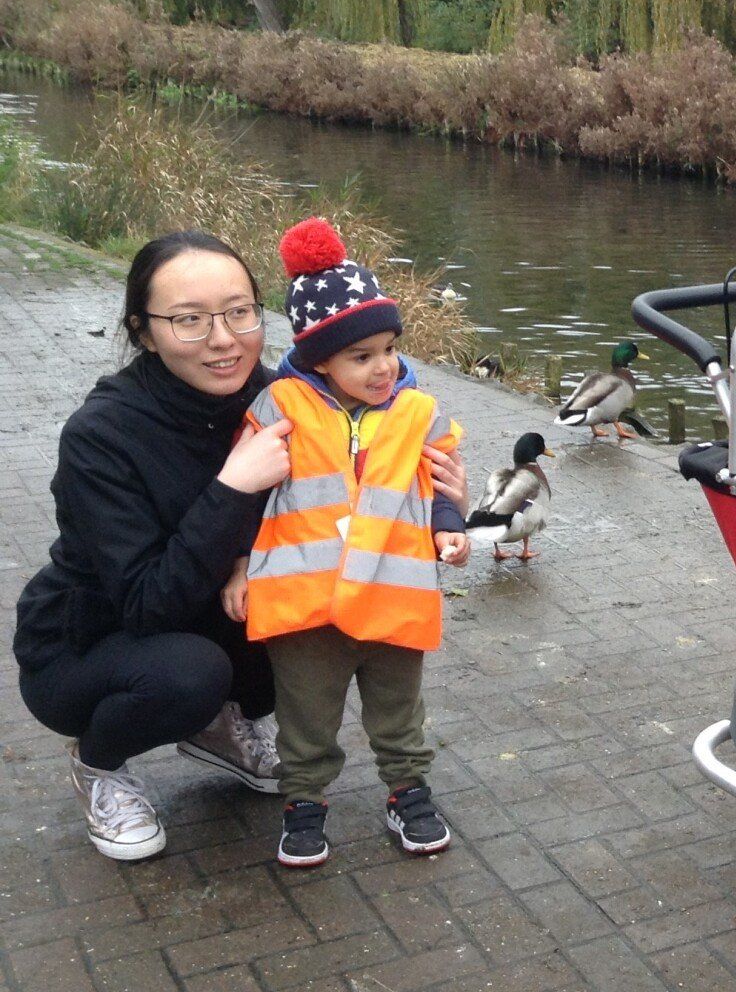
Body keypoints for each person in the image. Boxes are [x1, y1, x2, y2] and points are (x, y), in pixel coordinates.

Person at [13, 230, 465, 861]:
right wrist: (232, 485)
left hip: (217, 607)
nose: (223, 339)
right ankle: (99, 764)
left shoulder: (284, 398)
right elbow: (147, 605)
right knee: (191, 675)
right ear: (143, 331)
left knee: (311, 645)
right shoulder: (103, 434)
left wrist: (435, 495)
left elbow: (373, 436)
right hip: (97, 640)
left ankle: (220, 726)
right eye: (188, 321)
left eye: (239, 312)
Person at [223, 219, 467, 868]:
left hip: (393, 596)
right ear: (318, 359)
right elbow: (247, 491)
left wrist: (450, 527)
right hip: (306, 607)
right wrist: (240, 565)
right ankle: (305, 801)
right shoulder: (280, 406)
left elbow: (442, 478)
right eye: (362, 357)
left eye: (389, 348)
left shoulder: (419, 411)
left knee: (398, 713)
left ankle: (407, 789)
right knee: (307, 717)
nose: (384, 366)